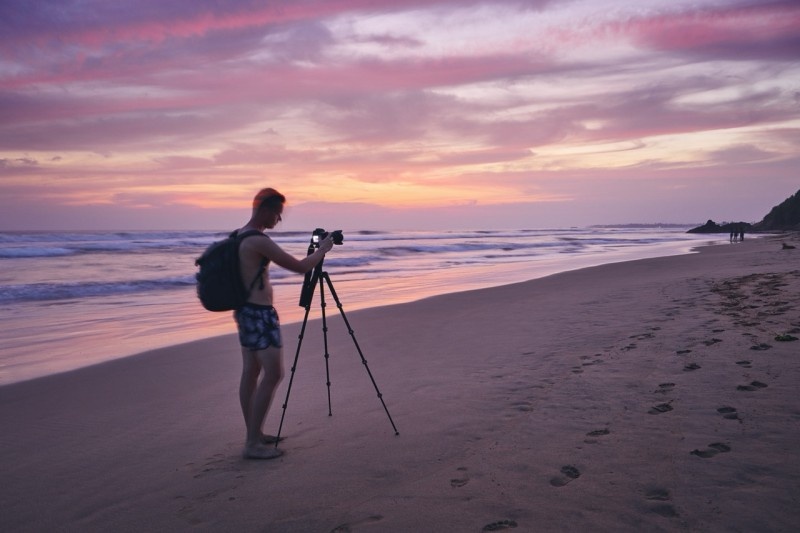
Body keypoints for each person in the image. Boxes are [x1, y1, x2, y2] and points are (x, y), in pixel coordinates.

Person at [234, 188, 334, 460]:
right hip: (260, 314)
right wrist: (323, 250)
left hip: (244, 312)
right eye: (277, 214)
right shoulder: (258, 240)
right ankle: (252, 444)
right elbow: (300, 267)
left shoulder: (238, 235)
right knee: (274, 373)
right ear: (265, 210)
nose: (278, 220)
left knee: (251, 372)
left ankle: (254, 433)